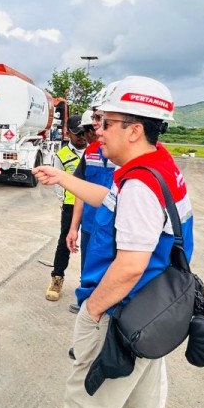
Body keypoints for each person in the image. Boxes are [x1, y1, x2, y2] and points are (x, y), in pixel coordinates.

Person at [33, 76, 193, 408]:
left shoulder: (140, 185)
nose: (97, 130)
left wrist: (93, 312)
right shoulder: (156, 166)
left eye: (105, 122)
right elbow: (107, 199)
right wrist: (62, 177)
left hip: (120, 317)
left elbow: (131, 265)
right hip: (150, 315)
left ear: (134, 130)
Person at [65, 88, 117, 314]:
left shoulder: (120, 154)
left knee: (111, 269)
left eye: (94, 128)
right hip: (89, 224)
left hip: (114, 226)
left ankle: (105, 305)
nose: (89, 136)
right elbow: (80, 191)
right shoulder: (90, 154)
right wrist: (73, 227)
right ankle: (85, 303)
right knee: (88, 267)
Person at [45, 115, 90, 301]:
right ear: (68, 133)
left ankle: (87, 284)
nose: (81, 137)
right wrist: (64, 201)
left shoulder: (95, 152)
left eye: (84, 133)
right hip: (71, 205)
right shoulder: (61, 155)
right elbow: (58, 183)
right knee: (65, 242)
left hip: (91, 205)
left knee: (90, 245)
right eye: (77, 134)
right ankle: (57, 278)